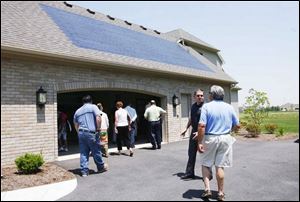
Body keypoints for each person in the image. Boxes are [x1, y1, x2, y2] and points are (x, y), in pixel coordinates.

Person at [197, 85, 239, 201]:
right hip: (225, 138)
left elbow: (201, 125)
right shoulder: (229, 107)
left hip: (210, 138)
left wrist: (199, 142)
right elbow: (237, 125)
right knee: (220, 166)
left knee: (205, 163)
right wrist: (231, 131)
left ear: (211, 95)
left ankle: (207, 190)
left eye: (209, 93)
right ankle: (220, 193)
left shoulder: (206, 107)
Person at [73, 95, 108, 177]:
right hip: (91, 133)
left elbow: (75, 124)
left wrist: (79, 132)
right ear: (91, 101)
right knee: (96, 150)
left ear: (83, 102)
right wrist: (99, 129)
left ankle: (84, 171)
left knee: (83, 152)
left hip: (81, 133)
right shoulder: (93, 107)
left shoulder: (78, 111)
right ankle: (101, 167)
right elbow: (98, 117)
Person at [180, 89, 210, 180]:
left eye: (201, 95)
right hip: (194, 132)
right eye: (198, 95)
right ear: (194, 97)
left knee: (205, 155)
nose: (200, 97)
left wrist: (200, 131)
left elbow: (209, 120)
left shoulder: (206, 107)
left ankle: (209, 174)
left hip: (203, 132)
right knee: (191, 153)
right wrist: (186, 128)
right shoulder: (193, 106)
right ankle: (190, 173)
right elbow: (191, 119)